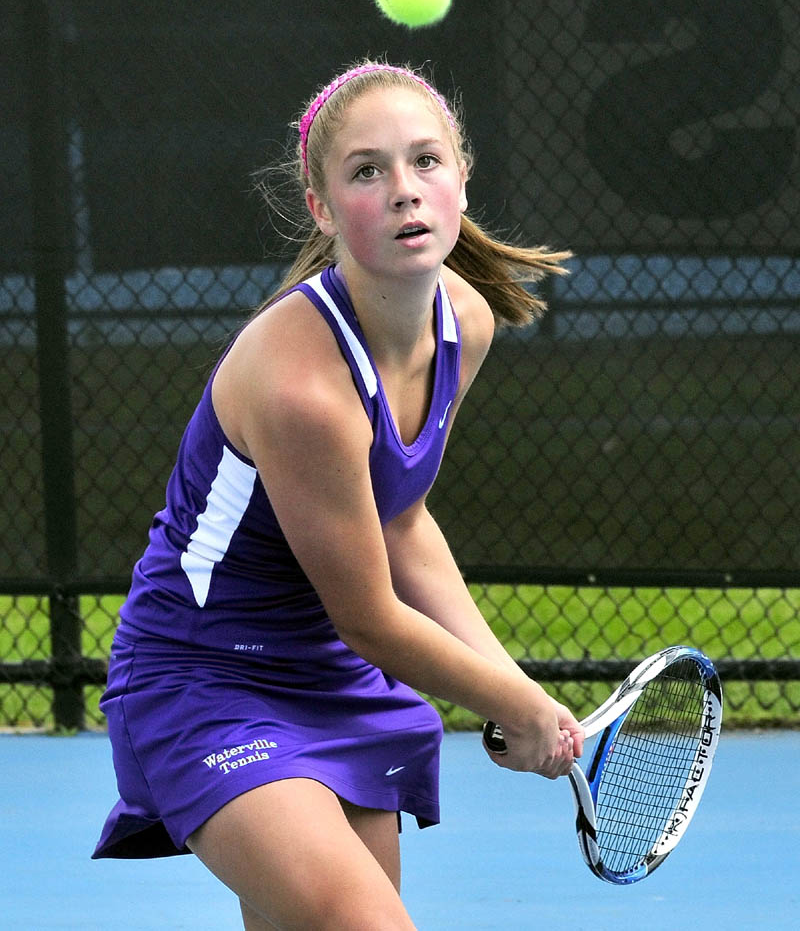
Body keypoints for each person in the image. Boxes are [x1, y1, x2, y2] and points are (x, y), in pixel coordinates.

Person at [93, 60, 583, 930]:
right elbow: (370, 614)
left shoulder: (463, 323)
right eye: (368, 171)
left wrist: (514, 683)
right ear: (321, 206)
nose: (405, 191)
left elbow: (402, 518)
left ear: (462, 179)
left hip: (333, 677)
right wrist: (514, 704)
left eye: (426, 161)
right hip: (204, 678)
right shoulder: (302, 390)